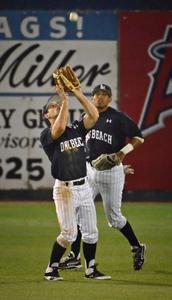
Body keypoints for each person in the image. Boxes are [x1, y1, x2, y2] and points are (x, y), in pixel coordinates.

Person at [59, 83, 146, 272]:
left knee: (114, 219)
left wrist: (122, 154)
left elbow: (139, 138)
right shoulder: (88, 118)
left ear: (110, 98)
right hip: (90, 171)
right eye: (97, 94)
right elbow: (73, 138)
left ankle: (137, 246)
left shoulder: (118, 118)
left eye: (104, 94)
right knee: (80, 212)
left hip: (111, 172)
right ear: (92, 98)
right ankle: (75, 256)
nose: (100, 97)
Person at [40, 70, 111, 281]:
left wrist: (78, 93)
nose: (55, 107)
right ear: (46, 116)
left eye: (57, 105)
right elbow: (59, 127)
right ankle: (51, 268)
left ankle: (90, 269)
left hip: (83, 187)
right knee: (69, 234)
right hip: (64, 189)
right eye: (51, 107)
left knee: (91, 232)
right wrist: (64, 99)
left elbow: (94, 115)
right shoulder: (47, 134)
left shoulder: (76, 129)